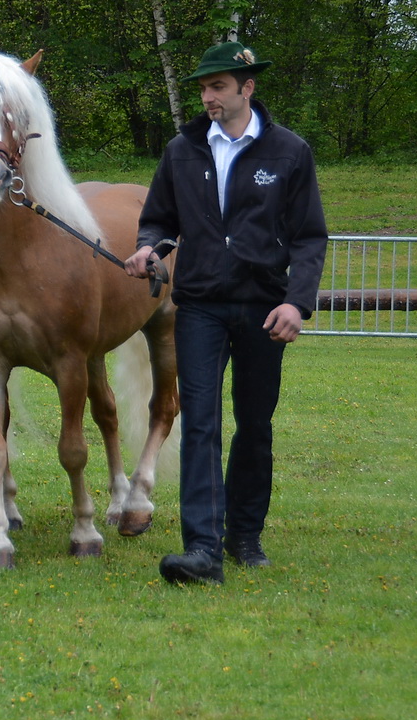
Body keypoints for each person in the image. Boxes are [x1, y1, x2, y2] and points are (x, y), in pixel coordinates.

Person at [124, 41, 327, 584]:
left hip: (265, 308)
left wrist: (297, 302)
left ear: (247, 87)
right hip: (201, 307)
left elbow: (309, 237)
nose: (208, 97)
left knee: (255, 426)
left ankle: (244, 535)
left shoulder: (289, 152)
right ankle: (202, 549)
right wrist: (150, 248)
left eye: (217, 86)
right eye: (203, 88)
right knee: (201, 425)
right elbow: (159, 218)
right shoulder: (182, 150)